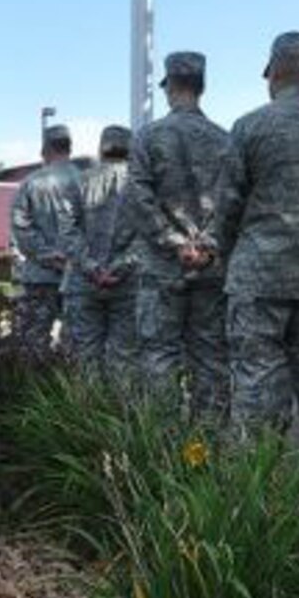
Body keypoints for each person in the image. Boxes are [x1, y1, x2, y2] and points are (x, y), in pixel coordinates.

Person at [213, 32, 299, 449]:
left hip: (259, 275)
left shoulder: (250, 126)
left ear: (274, 71)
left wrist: (228, 254)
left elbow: (227, 205)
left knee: (256, 381)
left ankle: (257, 487)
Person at [125, 51, 230, 413]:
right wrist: (207, 243)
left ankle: (162, 449)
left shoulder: (148, 137)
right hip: (211, 267)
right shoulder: (225, 139)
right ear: (202, 87)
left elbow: (138, 197)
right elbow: (234, 199)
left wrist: (173, 243)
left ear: (170, 88)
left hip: (162, 268)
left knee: (159, 356)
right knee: (211, 357)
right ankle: (209, 451)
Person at [63, 124, 137, 380]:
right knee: (125, 358)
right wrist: (122, 266)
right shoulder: (141, 184)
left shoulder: (79, 182)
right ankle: (120, 416)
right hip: (128, 284)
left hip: (84, 283)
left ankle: (85, 415)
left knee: (85, 356)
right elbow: (148, 233)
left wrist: (92, 268)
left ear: (101, 148)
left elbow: (67, 232)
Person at [10, 125, 81, 356]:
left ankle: (29, 389)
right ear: (69, 148)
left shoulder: (31, 183)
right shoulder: (87, 181)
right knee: (76, 344)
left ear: (45, 149)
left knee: (32, 341)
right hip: (79, 276)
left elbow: (21, 227)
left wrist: (47, 255)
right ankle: (68, 390)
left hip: (40, 276)